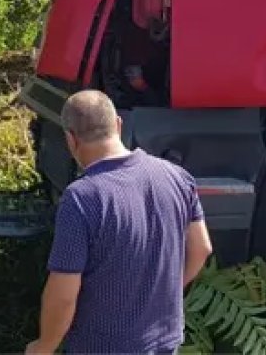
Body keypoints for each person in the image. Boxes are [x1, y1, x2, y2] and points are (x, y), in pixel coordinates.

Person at [27, 90, 213, 355]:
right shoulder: (177, 177)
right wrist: (162, 294)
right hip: (163, 339)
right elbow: (201, 248)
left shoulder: (82, 197)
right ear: (117, 124)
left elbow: (64, 293)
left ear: (70, 139)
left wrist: (44, 347)